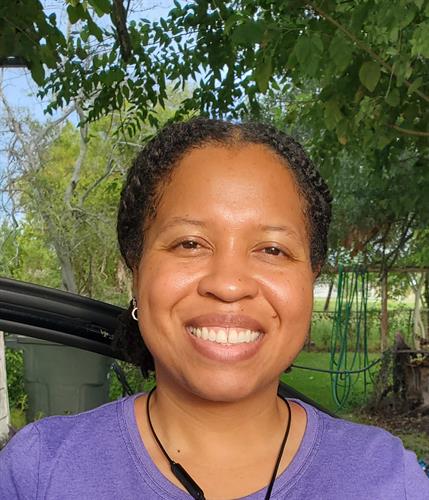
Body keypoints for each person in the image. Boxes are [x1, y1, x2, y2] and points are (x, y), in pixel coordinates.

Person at [1, 118, 428, 499]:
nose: (228, 284)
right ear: (134, 272)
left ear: (310, 279)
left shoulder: (387, 481)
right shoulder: (40, 473)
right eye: (190, 244)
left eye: (272, 249)